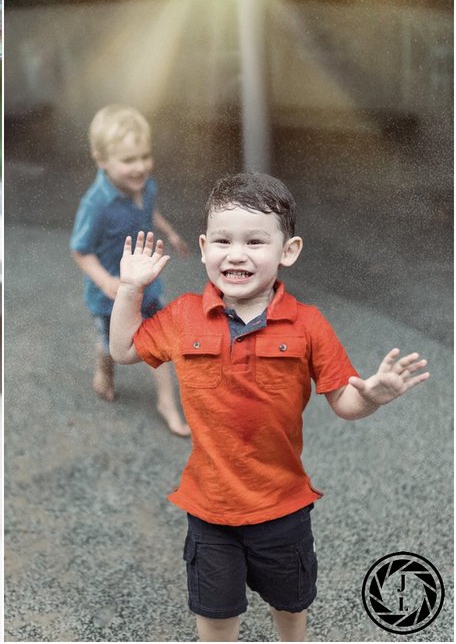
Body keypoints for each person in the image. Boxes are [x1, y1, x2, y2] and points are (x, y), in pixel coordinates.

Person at [108, 172, 430, 641]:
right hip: (210, 508)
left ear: (288, 251)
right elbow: (123, 350)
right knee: (215, 616)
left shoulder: (308, 325)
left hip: (282, 507)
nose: (236, 253)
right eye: (222, 239)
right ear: (202, 247)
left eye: (255, 241)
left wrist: (373, 397)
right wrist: (129, 288)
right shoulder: (181, 315)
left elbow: (344, 400)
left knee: (291, 604)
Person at [69, 104, 190, 437]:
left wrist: (169, 232)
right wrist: (106, 281)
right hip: (111, 296)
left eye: (144, 156)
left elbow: (150, 212)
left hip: (146, 285)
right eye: (128, 160)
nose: (140, 167)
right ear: (102, 160)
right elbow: (80, 250)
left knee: (158, 341)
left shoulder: (145, 185)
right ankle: (104, 369)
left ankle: (166, 401)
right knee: (112, 345)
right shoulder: (97, 204)